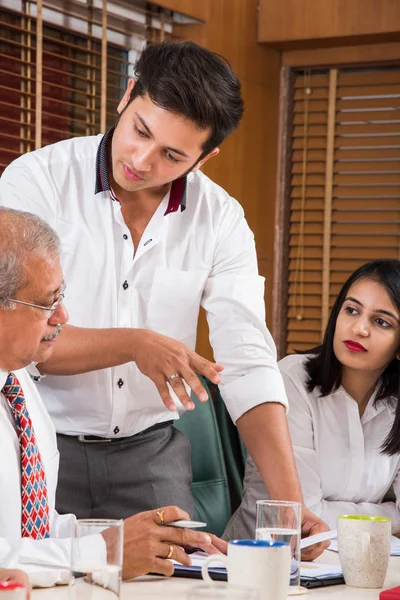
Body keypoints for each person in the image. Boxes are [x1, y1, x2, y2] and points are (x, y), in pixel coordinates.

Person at [0, 41, 326, 552]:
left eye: (172, 155)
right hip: (37, 441)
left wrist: (289, 506)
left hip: (150, 453)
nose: (140, 160)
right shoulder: (36, 181)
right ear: (128, 94)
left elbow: (247, 360)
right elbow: (16, 336)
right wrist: (135, 342)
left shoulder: (220, 219)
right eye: (140, 130)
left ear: (205, 156)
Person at [0, 207, 225, 587]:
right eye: (47, 302)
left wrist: (136, 539)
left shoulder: (18, 386)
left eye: (62, 296)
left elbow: (35, 530)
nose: (63, 316)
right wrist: (102, 552)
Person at [225, 259, 400, 539]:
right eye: (351, 310)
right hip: (264, 558)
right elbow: (305, 515)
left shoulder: (395, 402)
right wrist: (385, 516)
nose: (359, 329)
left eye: (380, 321)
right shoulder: (289, 381)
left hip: (352, 562)